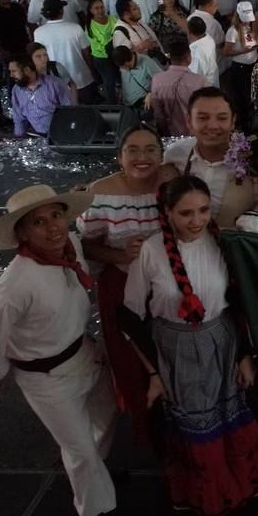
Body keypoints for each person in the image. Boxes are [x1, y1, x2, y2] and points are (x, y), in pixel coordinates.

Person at [0, 185, 125, 516]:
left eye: (56, 215)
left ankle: (91, 475)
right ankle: (98, 513)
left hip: (86, 354)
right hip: (47, 377)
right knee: (81, 450)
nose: (52, 227)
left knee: (104, 418)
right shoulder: (17, 284)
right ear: (23, 233)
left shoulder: (70, 244)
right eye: (38, 222)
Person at [121, 175, 258, 516]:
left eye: (203, 211)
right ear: (168, 213)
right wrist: (154, 373)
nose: (197, 221)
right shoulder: (151, 251)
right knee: (195, 423)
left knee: (229, 411)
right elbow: (130, 315)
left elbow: (236, 302)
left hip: (221, 340)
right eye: (186, 213)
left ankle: (242, 482)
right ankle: (207, 494)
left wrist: (244, 354)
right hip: (177, 348)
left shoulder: (220, 242)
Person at [78, 124, 178, 449]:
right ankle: (145, 430)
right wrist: (120, 253)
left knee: (173, 356)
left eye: (150, 149)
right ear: (119, 156)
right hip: (120, 287)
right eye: (132, 150)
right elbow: (87, 245)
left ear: (161, 155)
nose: (142, 157)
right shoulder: (101, 193)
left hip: (167, 286)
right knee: (130, 362)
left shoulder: (171, 182)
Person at [163, 87, 254, 227]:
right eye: (203, 118)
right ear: (189, 121)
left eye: (222, 118)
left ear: (233, 121)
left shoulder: (251, 158)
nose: (212, 126)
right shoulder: (175, 155)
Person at [148, 38, 207, 137]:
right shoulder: (199, 81)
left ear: (170, 58)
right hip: (194, 135)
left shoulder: (157, 80)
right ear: (189, 58)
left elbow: (159, 115)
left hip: (170, 135)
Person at [8, 52, 72, 137]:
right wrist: (19, 140)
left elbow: (70, 112)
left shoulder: (54, 84)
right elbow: (19, 119)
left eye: (14, 71)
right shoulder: (16, 90)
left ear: (27, 70)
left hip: (61, 135)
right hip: (37, 137)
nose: (11, 75)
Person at [187, 15, 219, 88]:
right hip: (212, 78)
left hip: (204, 86)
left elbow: (195, 74)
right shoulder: (209, 39)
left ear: (190, 33)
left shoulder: (197, 53)